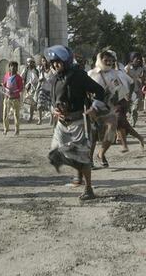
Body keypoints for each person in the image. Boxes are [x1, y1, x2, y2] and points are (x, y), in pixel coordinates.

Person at [41, 45, 105, 201]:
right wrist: (52, 110)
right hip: (62, 123)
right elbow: (45, 96)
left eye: (58, 61)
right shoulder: (54, 78)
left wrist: (94, 108)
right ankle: (79, 171)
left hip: (78, 122)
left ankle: (88, 188)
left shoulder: (79, 75)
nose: (55, 65)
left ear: (66, 60)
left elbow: (100, 91)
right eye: (53, 62)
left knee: (82, 156)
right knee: (55, 153)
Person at [86, 51, 120, 167]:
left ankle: (101, 153)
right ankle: (89, 159)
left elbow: (117, 90)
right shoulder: (91, 73)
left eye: (110, 61)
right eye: (106, 60)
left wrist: (114, 97)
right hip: (93, 107)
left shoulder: (114, 74)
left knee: (110, 132)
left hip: (108, 107)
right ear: (100, 60)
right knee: (93, 134)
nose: (109, 63)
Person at [124, 52, 146, 125]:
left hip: (137, 90)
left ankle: (133, 122)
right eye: (136, 59)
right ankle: (130, 117)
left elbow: (142, 79)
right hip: (128, 91)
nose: (138, 61)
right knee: (129, 108)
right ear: (132, 59)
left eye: (139, 59)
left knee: (135, 107)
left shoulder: (141, 69)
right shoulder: (127, 68)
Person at [1, 61, 24, 135]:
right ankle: (5, 129)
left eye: (15, 66)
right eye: (12, 66)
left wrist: (14, 92)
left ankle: (17, 130)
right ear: (9, 67)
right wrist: (3, 87)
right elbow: (4, 85)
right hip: (7, 98)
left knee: (16, 115)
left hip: (16, 99)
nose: (13, 68)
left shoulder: (18, 78)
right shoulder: (6, 76)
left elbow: (21, 88)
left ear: (17, 68)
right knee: (5, 115)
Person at [21, 58, 41, 123]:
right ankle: (30, 117)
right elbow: (21, 77)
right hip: (28, 89)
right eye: (29, 62)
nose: (30, 63)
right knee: (29, 104)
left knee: (36, 103)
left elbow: (39, 78)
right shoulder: (26, 70)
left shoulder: (36, 70)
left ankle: (39, 118)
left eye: (31, 62)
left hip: (36, 88)